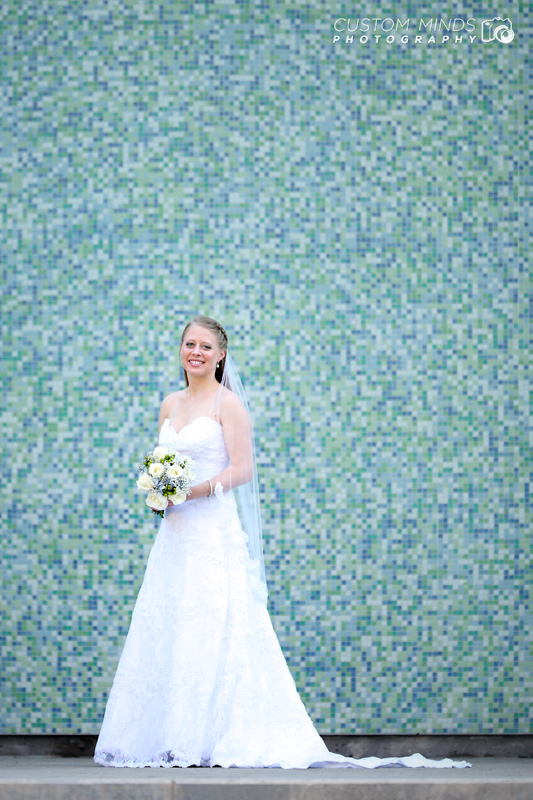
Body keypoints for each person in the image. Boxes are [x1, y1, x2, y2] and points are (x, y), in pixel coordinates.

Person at [93, 315, 471, 770]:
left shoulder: (227, 404)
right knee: (171, 622)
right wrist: (161, 492)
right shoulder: (170, 404)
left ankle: (210, 738)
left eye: (205, 347)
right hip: (175, 536)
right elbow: (162, 462)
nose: (195, 352)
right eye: (188, 344)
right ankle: (171, 736)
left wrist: (194, 491)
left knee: (212, 625)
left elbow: (243, 468)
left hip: (211, 530)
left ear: (220, 355)